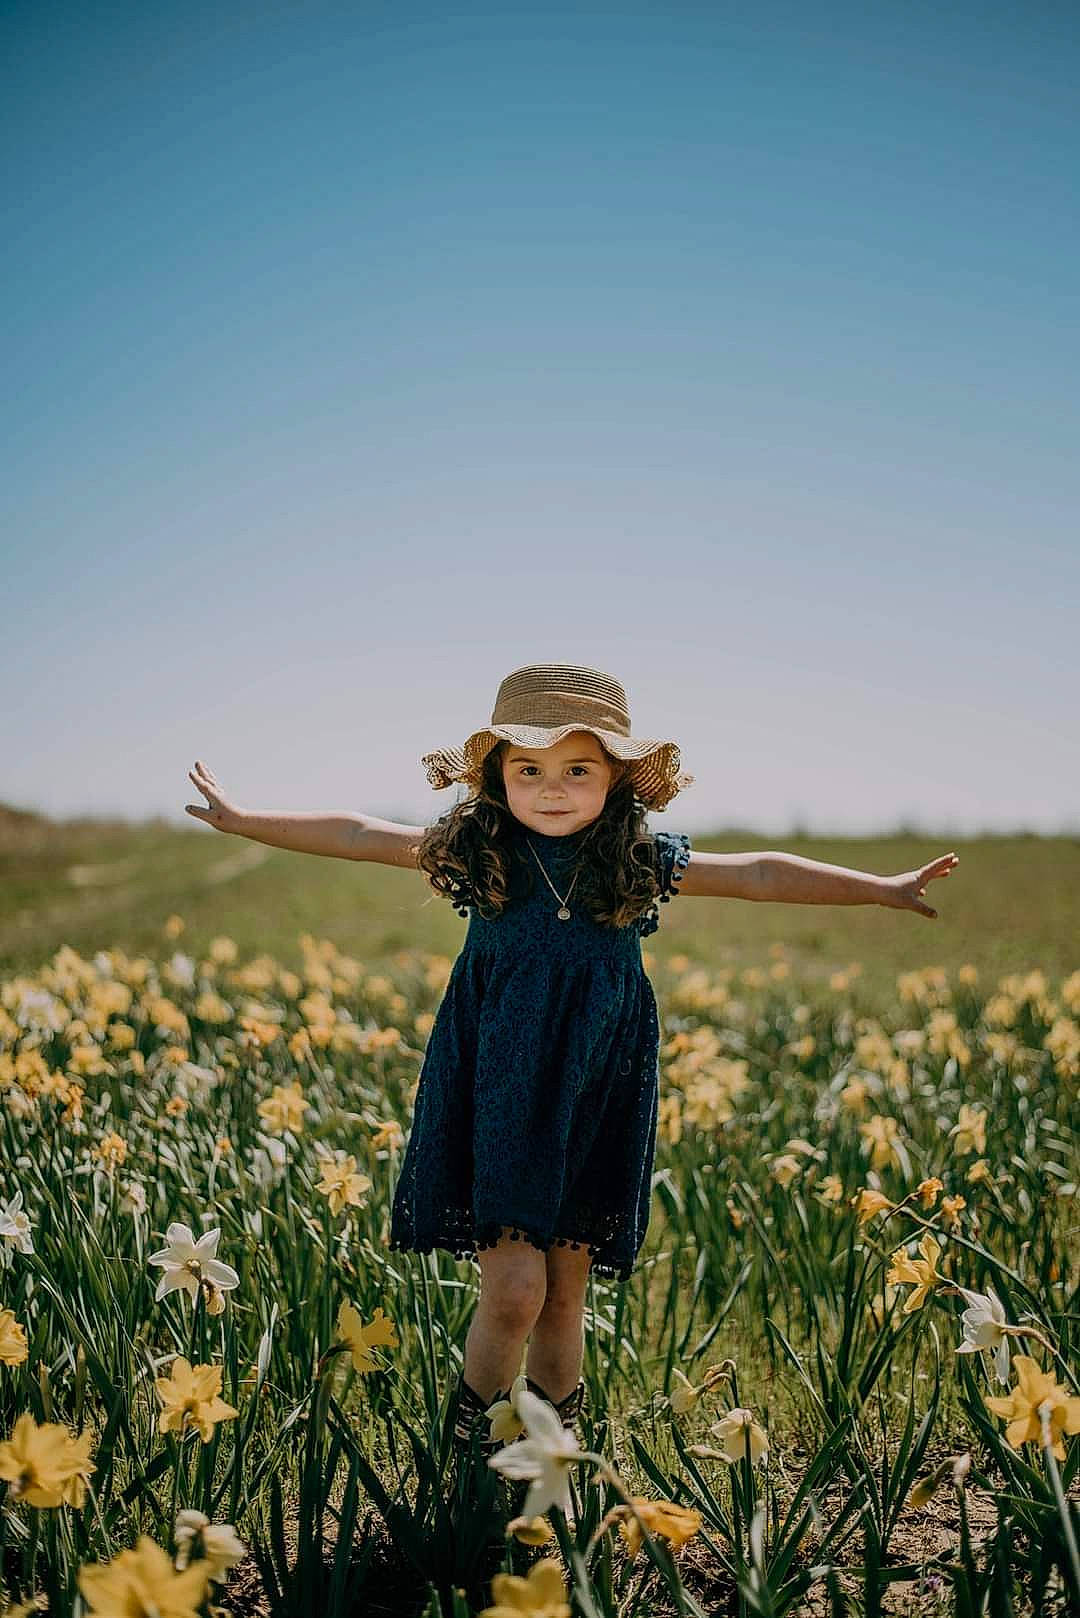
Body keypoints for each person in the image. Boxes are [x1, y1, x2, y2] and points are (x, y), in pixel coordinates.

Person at [185, 661, 959, 1466]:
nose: (552, 789)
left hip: (596, 1088)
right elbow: (356, 834)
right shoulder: (481, 852)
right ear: (498, 776)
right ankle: (469, 1456)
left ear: (616, 776)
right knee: (516, 1289)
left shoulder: (636, 859)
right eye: (529, 769)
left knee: (563, 1295)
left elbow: (760, 873)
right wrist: (242, 820)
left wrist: (882, 886)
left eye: (577, 770)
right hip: (499, 1088)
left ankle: (556, 1454)